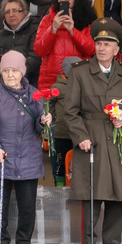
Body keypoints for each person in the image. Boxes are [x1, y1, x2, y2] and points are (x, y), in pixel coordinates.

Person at [64, 18, 122, 244]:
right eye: (99, 43)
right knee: (92, 190)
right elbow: (70, 111)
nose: (102, 48)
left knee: (118, 189)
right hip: (92, 137)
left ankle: (112, 240)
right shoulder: (80, 72)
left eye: (107, 44)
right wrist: (81, 136)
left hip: (117, 137)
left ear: (117, 50)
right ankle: (88, 241)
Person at [0, 50, 51, 244]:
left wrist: (44, 121)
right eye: (6, 71)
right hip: (0, 157)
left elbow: (38, 127)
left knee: (27, 204)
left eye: (14, 70)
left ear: (23, 72)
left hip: (28, 156)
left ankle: (24, 242)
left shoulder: (34, 94)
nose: (10, 75)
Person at [34, 0, 96, 90]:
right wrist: (53, 29)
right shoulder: (47, 20)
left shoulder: (87, 19)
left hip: (79, 79)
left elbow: (91, 50)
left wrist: (73, 31)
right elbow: (39, 51)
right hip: (50, 81)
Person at [0, 0, 40, 87]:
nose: (11, 15)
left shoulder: (35, 29)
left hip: (28, 81)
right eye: (7, 12)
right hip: (4, 80)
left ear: (25, 12)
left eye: (15, 11)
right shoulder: (2, 33)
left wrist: (7, 68)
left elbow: (35, 60)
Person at [49, 56, 81, 187]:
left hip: (78, 133)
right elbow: (49, 105)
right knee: (59, 161)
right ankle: (59, 185)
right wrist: (53, 120)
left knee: (77, 162)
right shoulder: (57, 87)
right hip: (61, 132)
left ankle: (76, 185)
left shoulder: (82, 86)